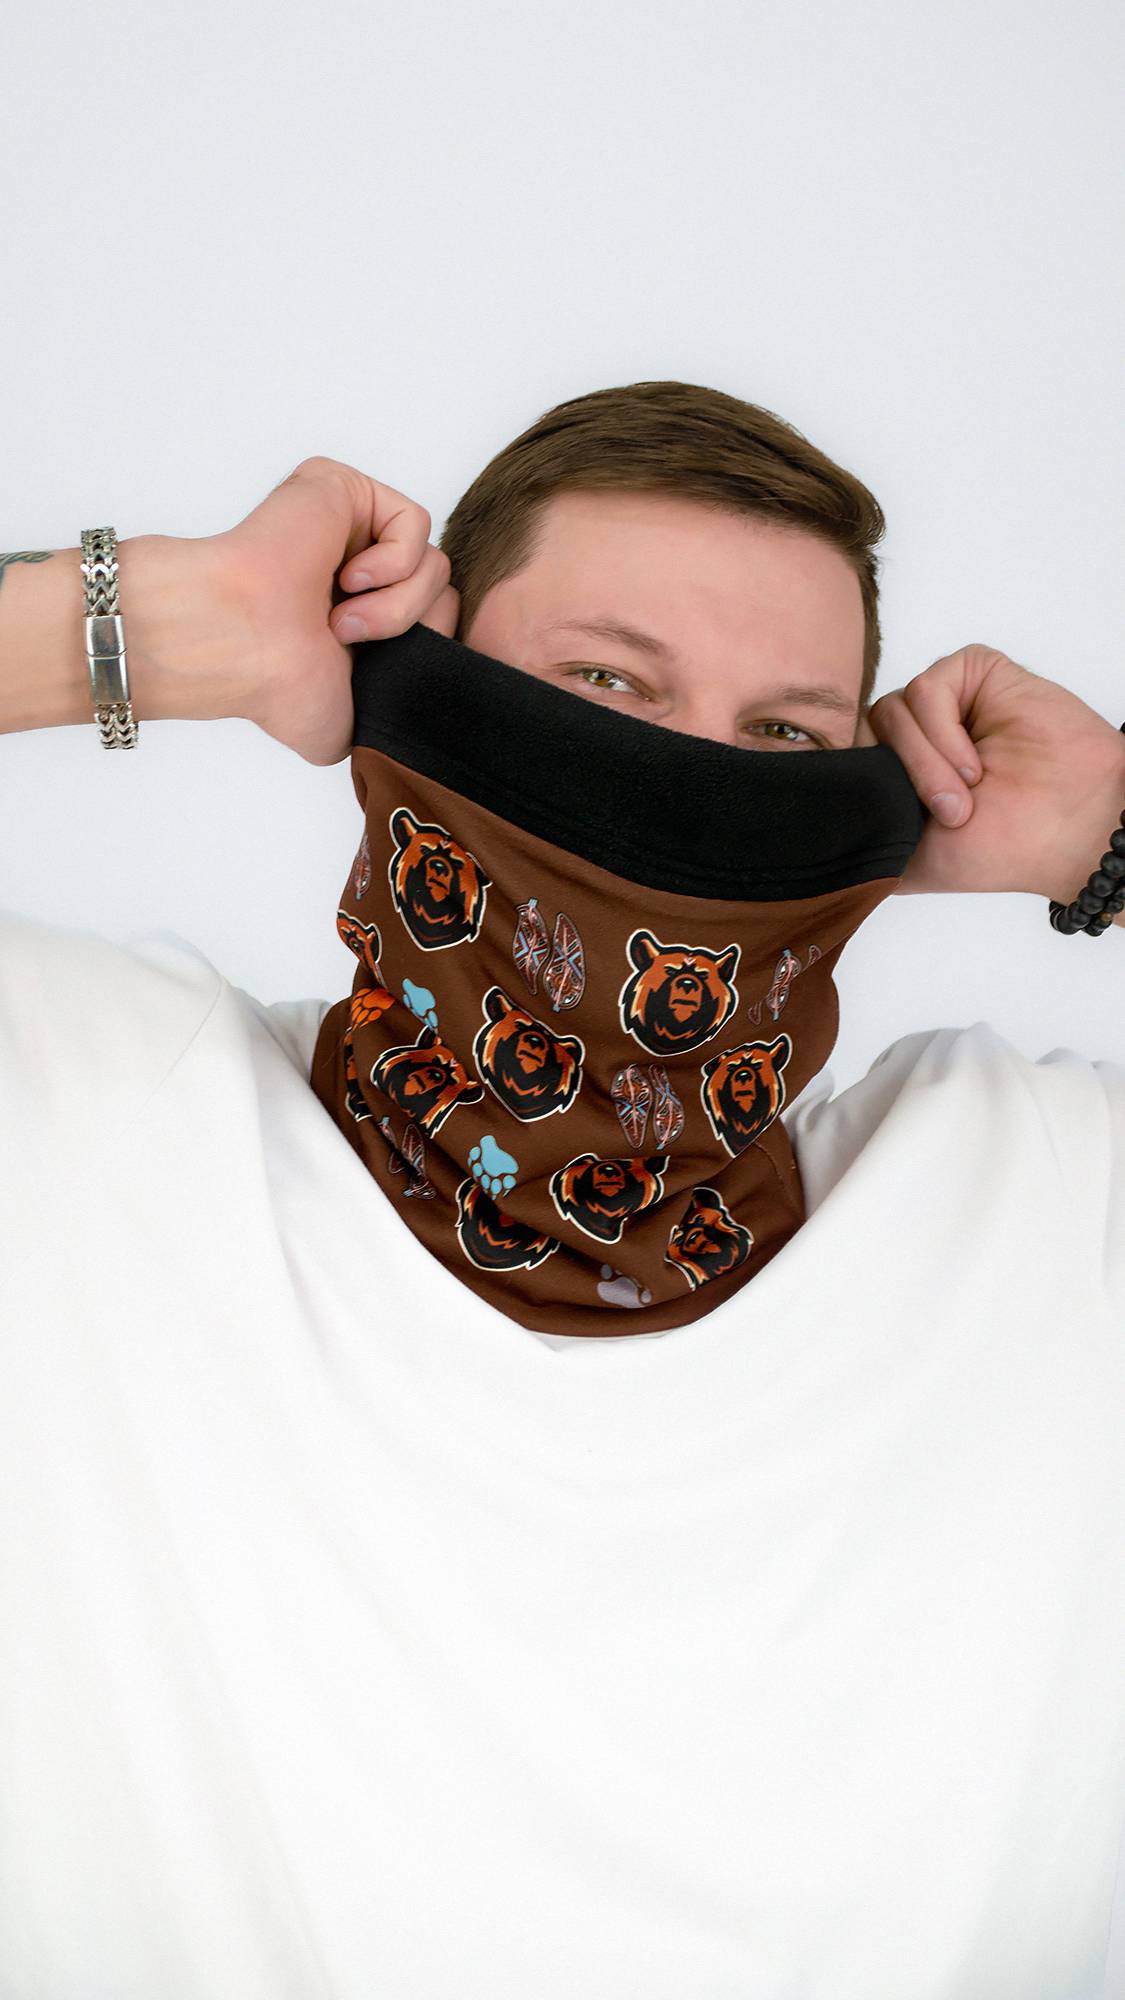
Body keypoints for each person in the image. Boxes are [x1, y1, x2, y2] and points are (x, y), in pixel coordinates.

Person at [1, 380, 1123, 1997]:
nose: (685, 789)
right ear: (423, 684)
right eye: (602, 684)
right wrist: (171, 626)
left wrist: (1107, 836)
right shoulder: (92, 1121)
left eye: (783, 740)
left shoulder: (1030, 1217)